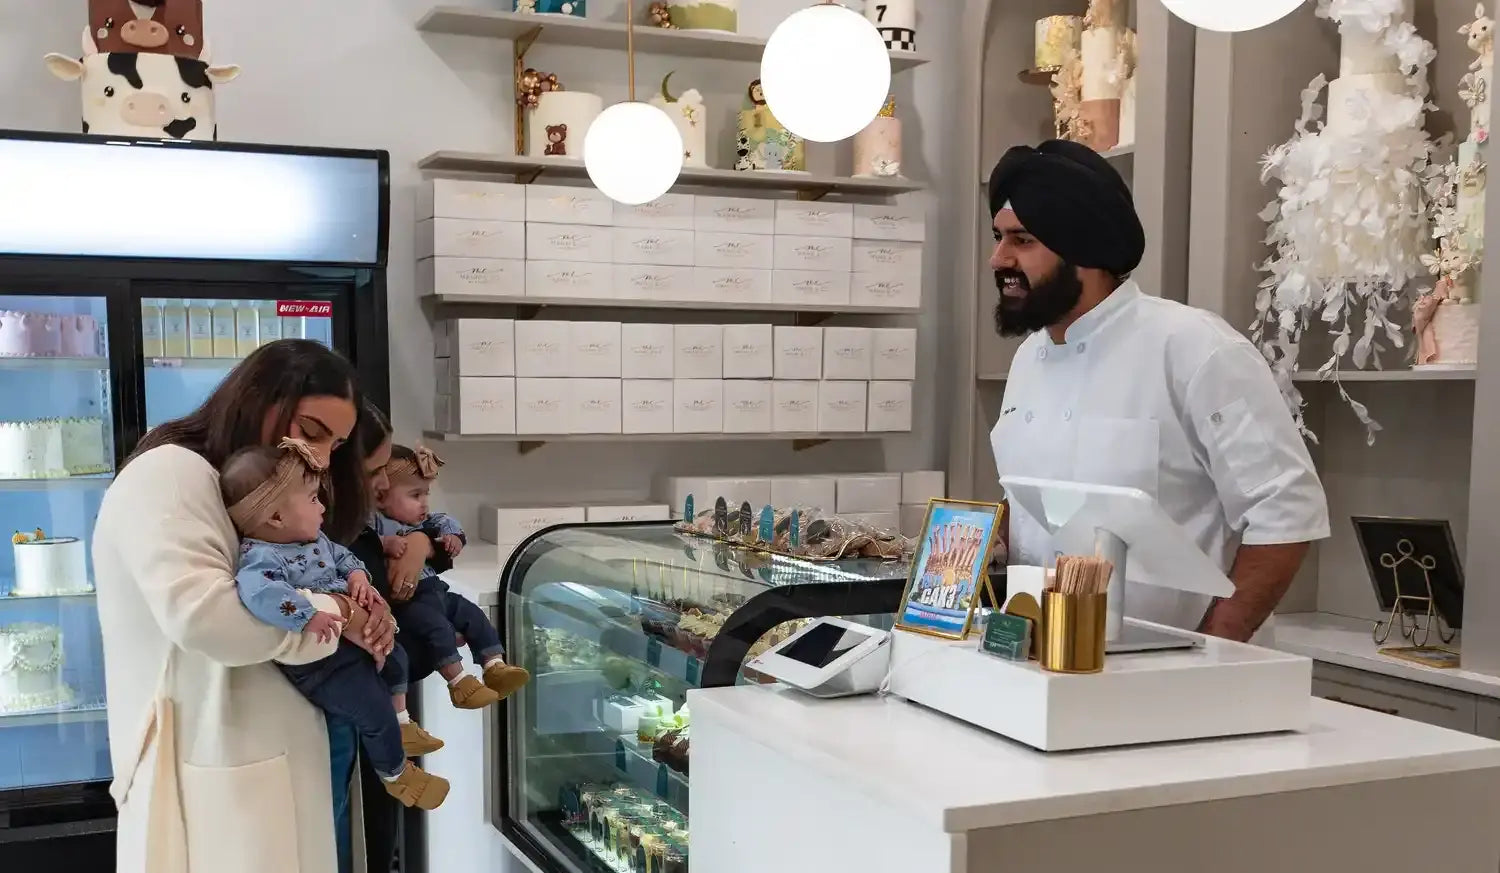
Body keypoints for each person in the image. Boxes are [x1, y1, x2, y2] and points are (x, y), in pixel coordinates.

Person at [985, 140, 1330, 643]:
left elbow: (1287, 511)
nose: (998, 259)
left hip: (1173, 675)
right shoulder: (1027, 360)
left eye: (1022, 240)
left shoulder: (1195, 347)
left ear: (1084, 248)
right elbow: (1038, 498)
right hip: (1043, 661)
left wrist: (1212, 649)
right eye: (998, 237)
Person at [92, 339, 398, 873]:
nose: (322, 460)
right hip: (216, 773)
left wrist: (368, 609)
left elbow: (314, 573)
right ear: (256, 399)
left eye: (337, 444)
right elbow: (206, 617)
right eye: (310, 432)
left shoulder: (257, 492)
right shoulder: (170, 474)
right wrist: (338, 616)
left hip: (285, 760)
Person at [219, 438, 449, 809]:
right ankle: (396, 774)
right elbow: (259, 593)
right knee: (371, 707)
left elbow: (344, 558)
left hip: (350, 644)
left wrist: (358, 578)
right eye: (312, 499)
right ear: (276, 518)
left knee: (397, 660)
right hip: (322, 664)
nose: (322, 505)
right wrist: (309, 614)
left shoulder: (317, 539)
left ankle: (403, 722)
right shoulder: (261, 558)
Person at [372, 444, 531, 706]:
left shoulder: (425, 523)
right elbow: (363, 545)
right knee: (439, 629)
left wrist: (452, 537)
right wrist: (386, 544)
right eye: (414, 495)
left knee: (472, 613)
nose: (423, 502)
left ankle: (494, 664)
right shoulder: (376, 523)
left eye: (426, 493)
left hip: (437, 591)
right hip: (410, 601)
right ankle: (459, 683)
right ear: (380, 497)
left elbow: (446, 524)